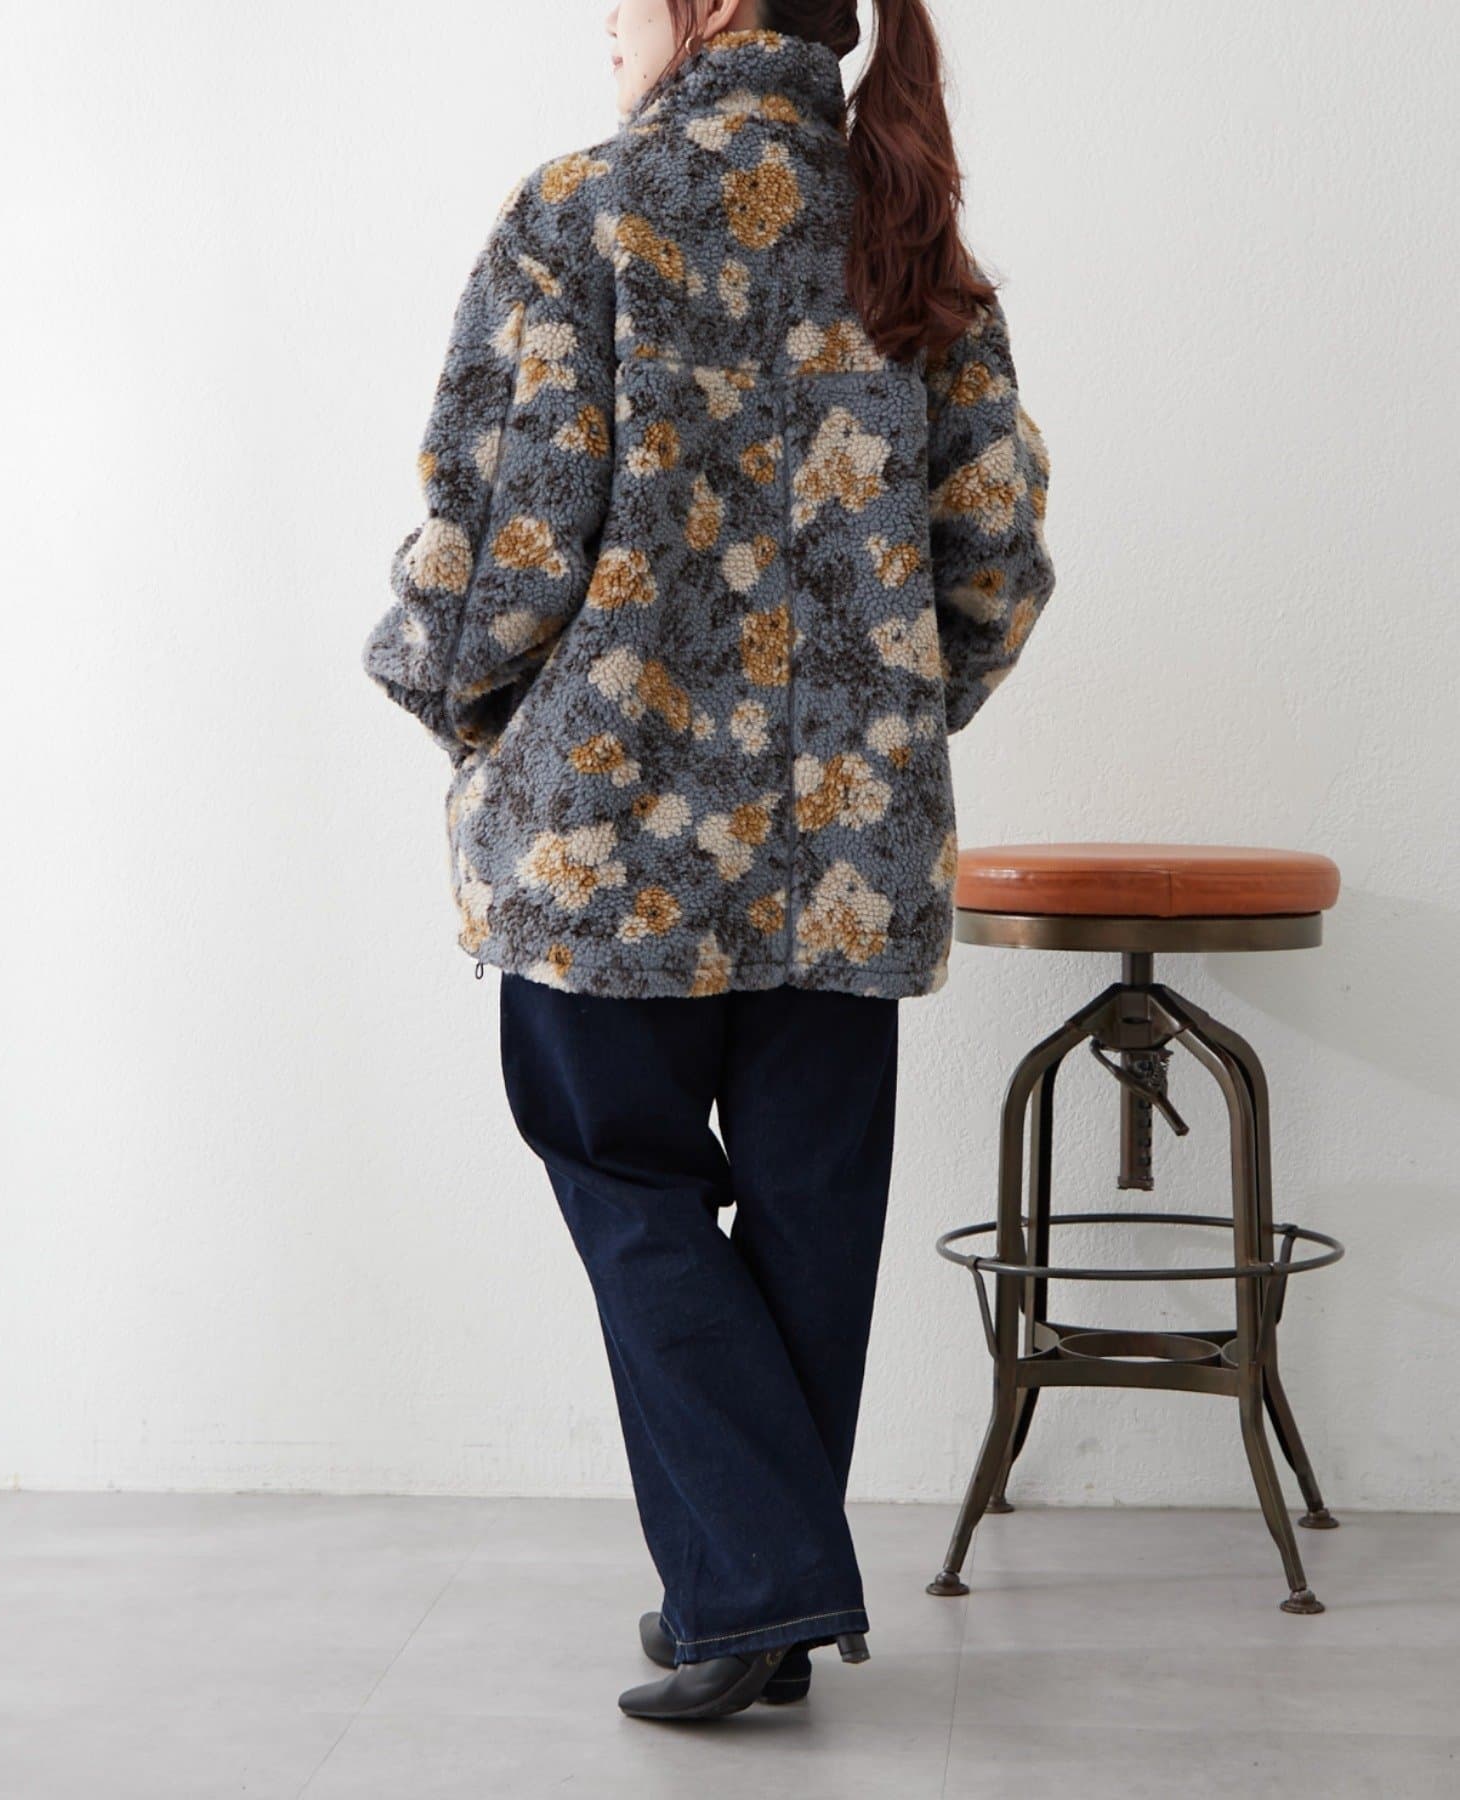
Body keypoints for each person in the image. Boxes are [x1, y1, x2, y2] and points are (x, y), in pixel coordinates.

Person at [361, 0, 1056, 1722]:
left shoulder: (585, 214)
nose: (605, 29)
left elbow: (498, 538)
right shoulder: (907, 231)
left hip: (610, 853)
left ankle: (755, 1589)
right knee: (814, 1211)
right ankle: (756, 1596)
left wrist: (446, 696)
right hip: (847, 856)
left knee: (627, 1179)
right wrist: (890, 724)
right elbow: (995, 554)